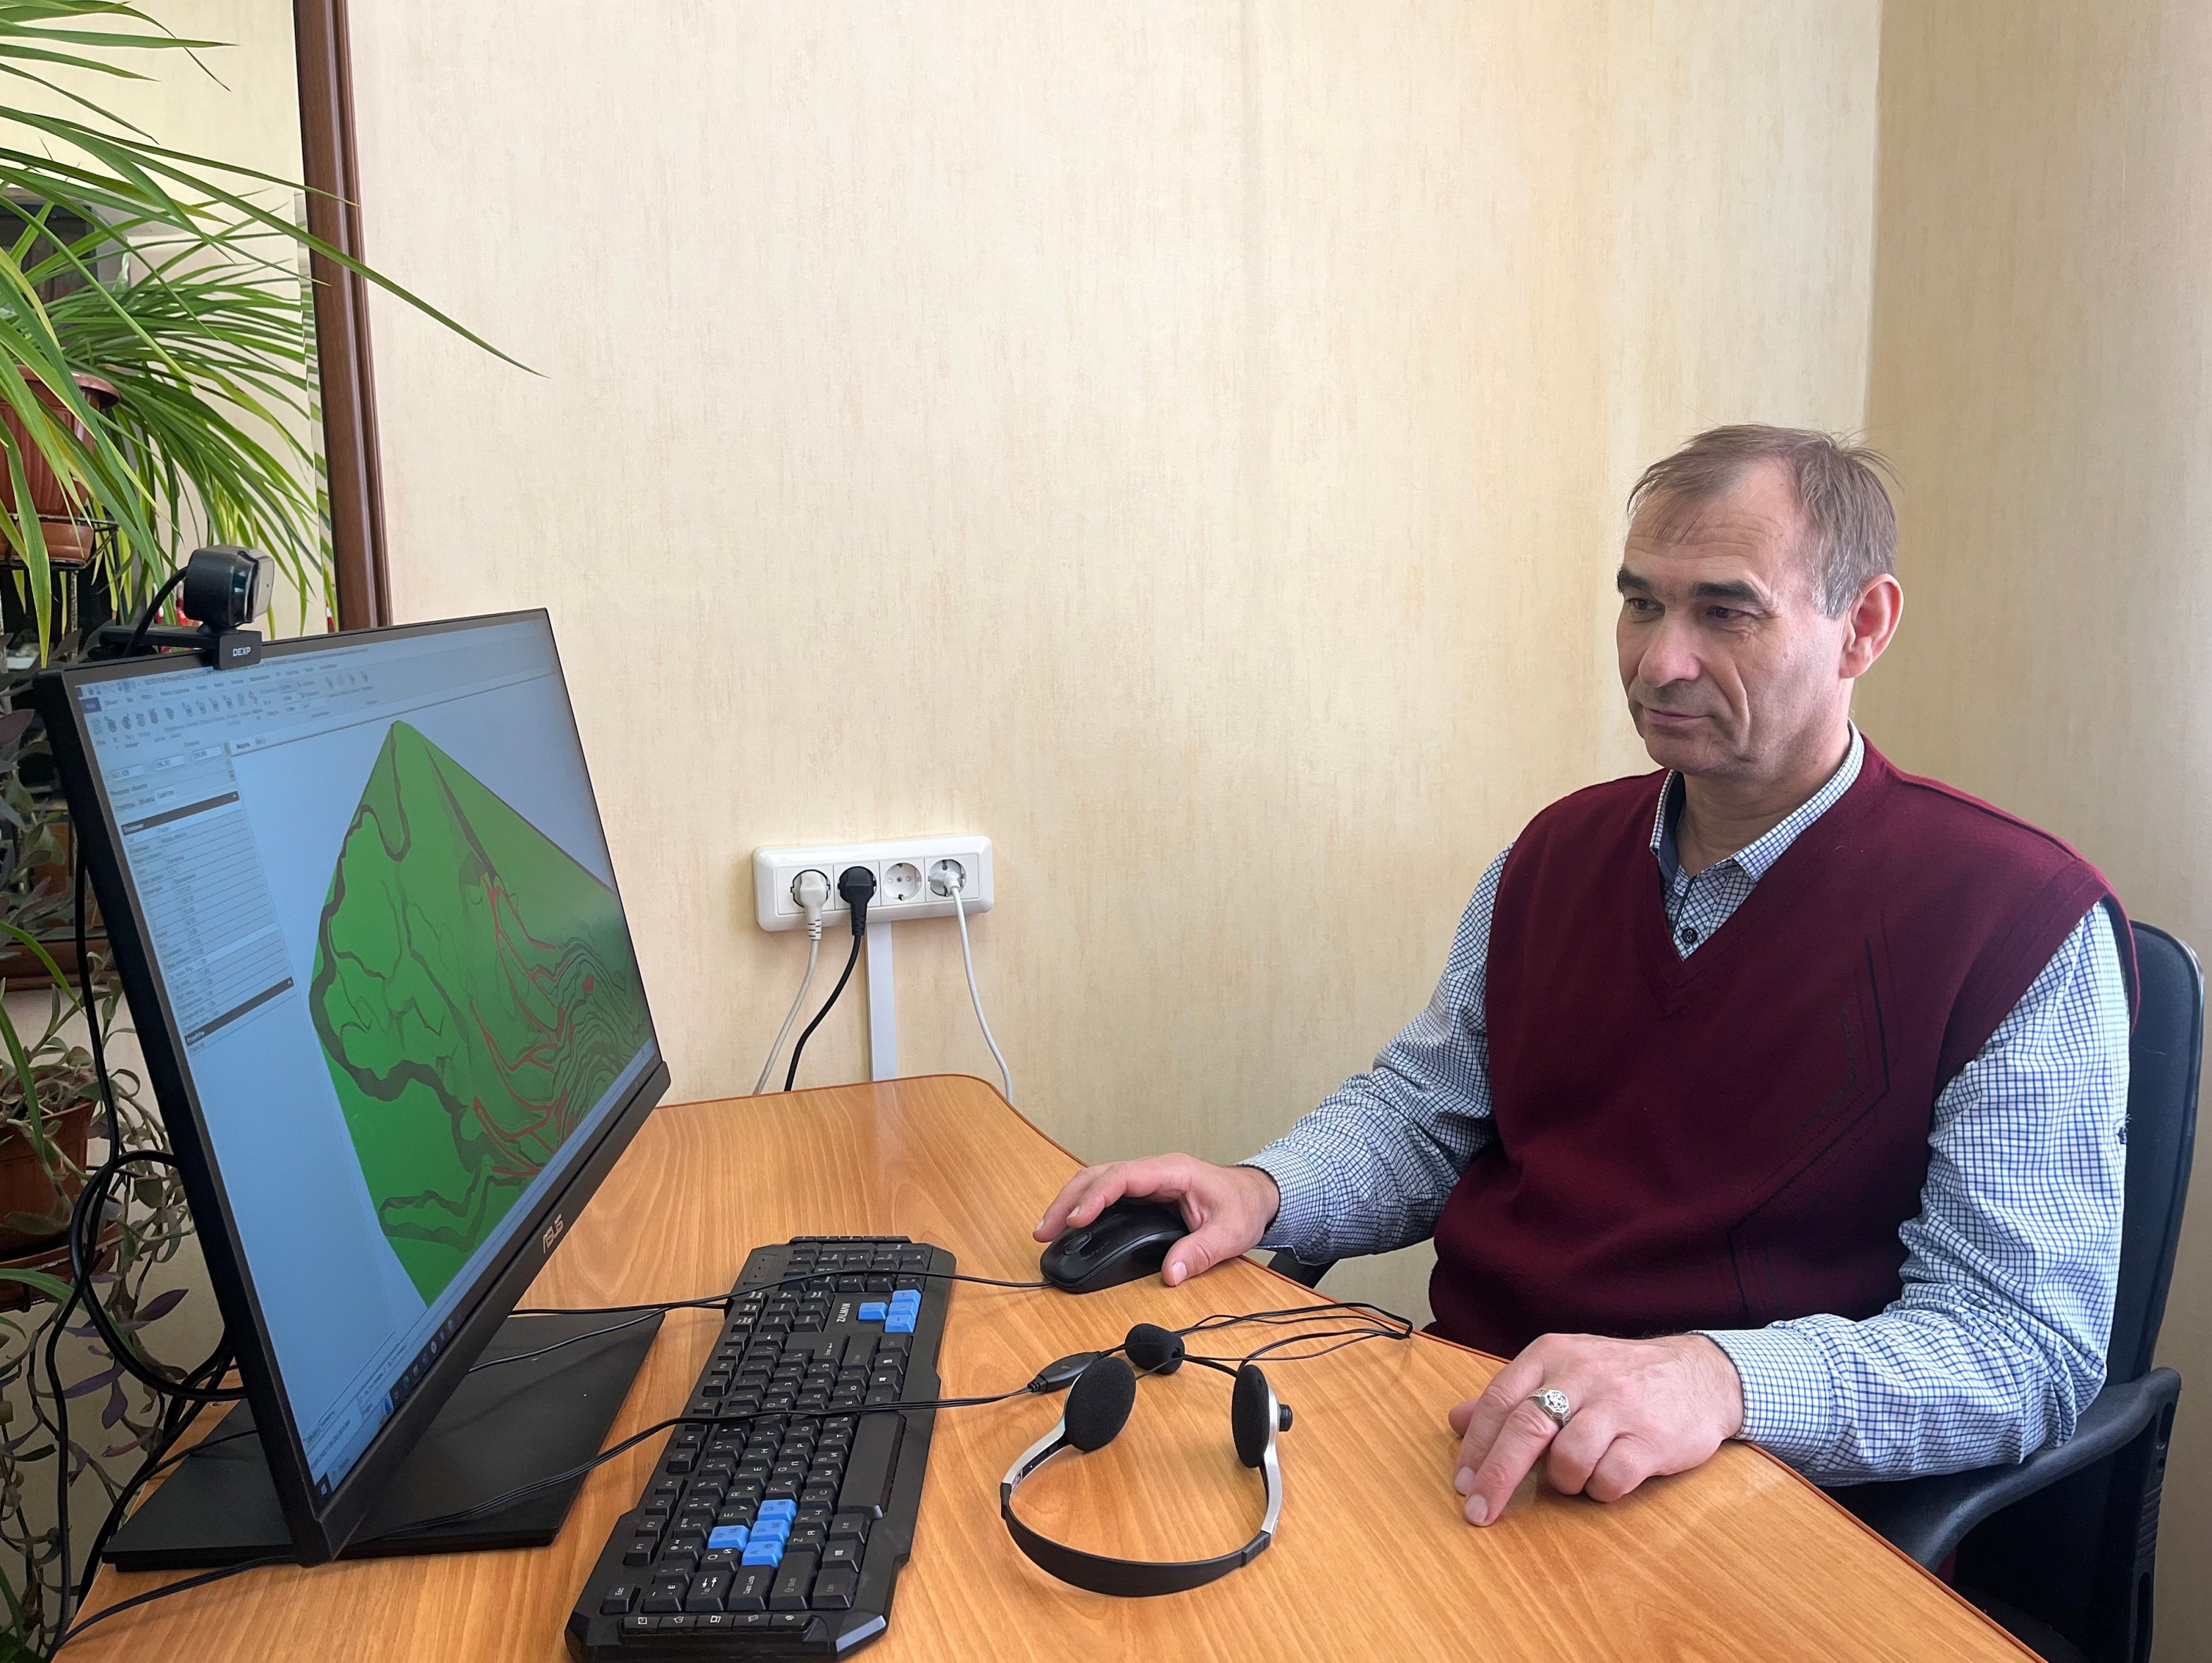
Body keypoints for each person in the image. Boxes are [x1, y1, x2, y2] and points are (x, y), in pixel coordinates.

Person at [1035, 425, 2134, 1527]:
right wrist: (1261, 1189)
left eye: (1724, 611)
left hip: (1743, 1499)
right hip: (1469, 1426)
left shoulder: (2017, 922)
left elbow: (2016, 1344)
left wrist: (1719, 1378)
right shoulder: (1552, 853)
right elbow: (1423, 1116)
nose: (1658, 661)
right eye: (1641, 603)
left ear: (1863, 626)